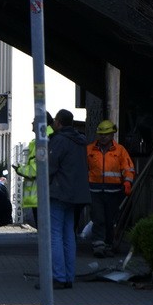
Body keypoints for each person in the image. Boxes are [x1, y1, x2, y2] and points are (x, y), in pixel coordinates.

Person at [45, 109, 90, 290]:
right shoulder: (80, 141)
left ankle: (58, 277)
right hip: (75, 195)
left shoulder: (59, 140)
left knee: (55, 235)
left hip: (59, 192)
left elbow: (50, 166)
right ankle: (68, 277)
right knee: (68, 234)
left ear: (59, 122)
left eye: (55, 121)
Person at [87, 119, 136, 258]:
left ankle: (108, 245)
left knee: (110, 220)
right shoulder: (89, 150)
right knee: (98, 218)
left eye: (106, 134)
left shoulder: (120, 151)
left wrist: (127, 182)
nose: (103, 137)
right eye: (101, 134)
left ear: (112, 135)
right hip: (94, 190)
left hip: (114, 192)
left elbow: (128, 168)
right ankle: (98, 246)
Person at [13, 112, 53, 229]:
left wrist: (20, 169)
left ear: (42, 124)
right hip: (41, 196)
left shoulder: (43, 141)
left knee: (45, 230)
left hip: (42, 195)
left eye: (34, 120)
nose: (32, 123)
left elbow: (36, 170)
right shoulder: (44, 139)